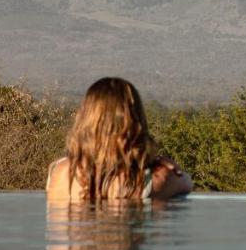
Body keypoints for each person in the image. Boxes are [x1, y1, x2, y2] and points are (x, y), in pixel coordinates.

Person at [45, 77, 193, 203]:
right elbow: (187, 182)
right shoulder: (151, 179)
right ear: (135, 121)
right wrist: (162, 164)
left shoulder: (59, 172)